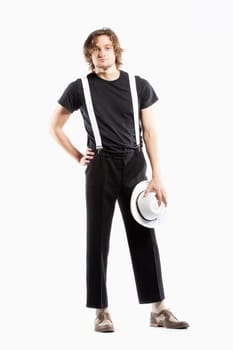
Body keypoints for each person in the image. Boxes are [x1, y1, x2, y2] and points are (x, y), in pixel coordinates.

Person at [50, 27, 189, 332]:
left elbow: (151, 131)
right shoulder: (79, 88)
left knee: (143, 234)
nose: (101, 53)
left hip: (134, 162)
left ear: (116, 51)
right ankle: (101, 311)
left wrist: (157, 175)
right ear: (90, 55)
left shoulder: (138, 85)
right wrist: (77, 155)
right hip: (100, 164)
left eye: (107, 47)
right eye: (95, 49)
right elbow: (55, 126)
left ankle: (159, 309)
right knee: (97, 239)